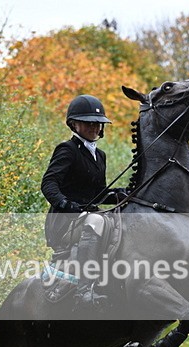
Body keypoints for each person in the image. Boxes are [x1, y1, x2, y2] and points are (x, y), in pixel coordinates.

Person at [41, 94, 125, 310]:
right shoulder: (67, 150)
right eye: (88, 123)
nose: (94, 127)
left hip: (89, 216)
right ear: (74, 124)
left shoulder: (101, 156)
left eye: (98, 123)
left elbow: (99, 194)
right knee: (95, 222)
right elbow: (49, 183)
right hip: (64, 221)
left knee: (117, 221)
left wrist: (122, 195)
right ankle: (83, 290)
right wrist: (65, 204)